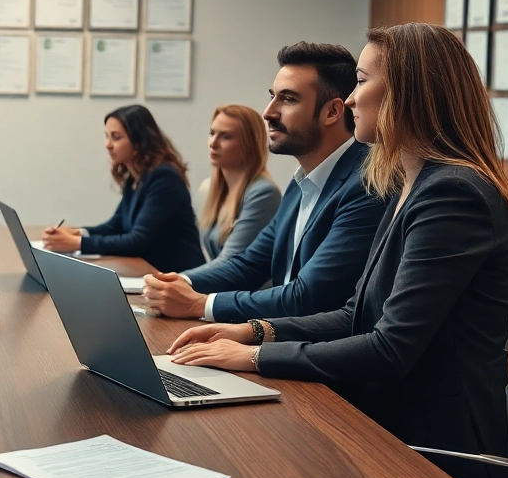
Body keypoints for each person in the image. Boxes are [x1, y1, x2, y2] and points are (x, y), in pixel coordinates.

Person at [155, 23, 508, 478]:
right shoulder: (412, 184)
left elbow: (390, 348)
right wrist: (252, 330)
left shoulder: (453, 195)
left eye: (362, 81)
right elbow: (356, 315)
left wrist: (253, 357)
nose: (350, 99)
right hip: (383, 438)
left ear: (407, 94)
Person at [142, 42, 384, 323]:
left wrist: (200, 305)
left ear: (332, 112)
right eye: (272, 97)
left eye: (288, 99)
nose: (268, 112)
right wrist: (175, 283)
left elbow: (309, 296)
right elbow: (248, 265)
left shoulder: (366, 184)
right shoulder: (301, 183)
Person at [42, 105, 205, 273]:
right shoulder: (135, 177)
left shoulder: (164, 177)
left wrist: (78, 243)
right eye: (107, 136)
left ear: (139, 140)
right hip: (151, 271)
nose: (108, 145)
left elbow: (137, 241)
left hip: (180, 277)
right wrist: (78, 233)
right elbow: (116, 225)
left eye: (116, 137)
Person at [193, 104, 280, 266]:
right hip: (219, 280)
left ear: (249, 144)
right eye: (212, 133)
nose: (213, 143)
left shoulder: (263, 193)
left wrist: (180, 278)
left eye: (226, 136)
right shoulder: (210, 188)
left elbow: (231, 262)